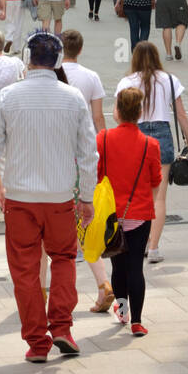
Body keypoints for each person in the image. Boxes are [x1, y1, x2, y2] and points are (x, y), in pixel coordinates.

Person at [0, 31, 97, 362]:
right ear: (58, 60)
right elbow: (89, 153)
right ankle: (62, 326)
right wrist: (86, 197)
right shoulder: (73, 98)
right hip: (60, 197)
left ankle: (37, 342)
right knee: (62, 259)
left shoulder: (7, 97)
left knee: (25, 269)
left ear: (27, 59)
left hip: (19, 198)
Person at [116, 41, 188, 264]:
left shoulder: (126, 81)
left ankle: (137, 244)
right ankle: (153, 248)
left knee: (136, 194)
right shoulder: (169, 80)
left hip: (135, 136)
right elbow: (181, 114)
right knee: (158, 198)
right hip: (162, 135)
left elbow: (117, 115)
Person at [55, 30, 114, 313]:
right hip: (84, 154)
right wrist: (104, 146)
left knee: (50, 224)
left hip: (57, 156)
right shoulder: (91, 76)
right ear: (80, 49)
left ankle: (43, 292)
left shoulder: (51, 75)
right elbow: (98, 116)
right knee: (85, 220)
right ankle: (103, 283)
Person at [99, 88, 163, 335]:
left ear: (117, 112)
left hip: (111, 216)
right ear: (140, 112)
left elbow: (97, 176)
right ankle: (137, 321)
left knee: (118, 267)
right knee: (136, 267)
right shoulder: (150, 144)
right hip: (139, 214)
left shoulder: (103, 139)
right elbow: (155, 180)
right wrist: (147, 206)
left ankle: (122, 312)